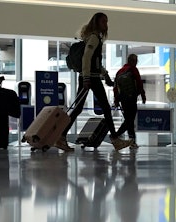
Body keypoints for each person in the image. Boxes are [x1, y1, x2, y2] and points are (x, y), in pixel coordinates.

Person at [55, 12, 131, 152]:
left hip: (90, 76)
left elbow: (95, 62)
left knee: (78, 109)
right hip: (91, 78)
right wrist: (87, 78)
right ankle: (115, 140)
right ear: (96, 23)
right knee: (105, 109)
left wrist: (105, 74)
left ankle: (61, 136)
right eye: (103, 22)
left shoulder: (92, 38)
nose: (106, 25)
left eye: (106, 22)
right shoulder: (94, 38)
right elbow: (86, 58)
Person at [113, 54, 146, 150]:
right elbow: (139, 84)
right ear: (133, 61)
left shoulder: (119, 71)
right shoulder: (133, 70)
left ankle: (132, 142)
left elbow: (115, 87)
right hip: (131, 99)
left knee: (129, 120)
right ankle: (116, 135)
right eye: (136, 61)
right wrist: (143, 96)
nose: (137, 62)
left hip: (123, 99)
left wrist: (116, 100)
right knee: (129, 120)